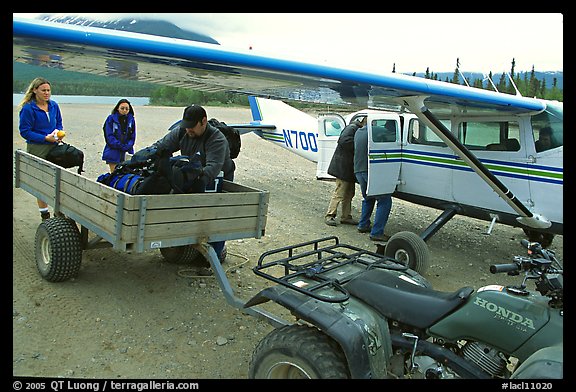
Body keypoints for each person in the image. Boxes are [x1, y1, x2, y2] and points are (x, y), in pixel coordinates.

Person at [153, 104, 235, 261]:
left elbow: (213, 167)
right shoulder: (183, 131)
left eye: (192, 127)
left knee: (215, 217)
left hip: (219, 179)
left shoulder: (217, 139)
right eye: (186, 126)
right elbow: (161, 146)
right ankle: (187, 244)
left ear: (203, 121)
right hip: (194, 173)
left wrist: (198, 182)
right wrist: (147, 157)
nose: (188, 130)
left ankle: (213, 259)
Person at [18, 77, 65, 221]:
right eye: (43, 90)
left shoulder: (54, 106)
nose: (46, 93)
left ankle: (58, 211)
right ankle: (45, 214)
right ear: (35, 90)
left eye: (48, 90)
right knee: (41, 181)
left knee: (57, 179)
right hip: (37, 148)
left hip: (53, 146)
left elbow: (59, 123)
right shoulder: (28, 108)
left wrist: (58, 133)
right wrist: (45, 138)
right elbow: (25, 131)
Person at [353, 121, 392, 242]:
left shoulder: (358, 132)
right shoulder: (376, 131)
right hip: (368, 171)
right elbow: (391, 137)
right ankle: (376, 232)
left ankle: (363, 224)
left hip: (358, 170)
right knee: (384, 199)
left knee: (368, 197)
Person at [324, 117, 367, 226]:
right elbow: (343, 140)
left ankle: (346, 216)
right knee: (340, 192)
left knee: (349, 193)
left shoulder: (354, 128)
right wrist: (359, 144)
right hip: (343, 167)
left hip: (348, 168)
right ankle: (330, 215)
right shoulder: (352, 128)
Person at [102, 99, 137, 172]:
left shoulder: (131, 120)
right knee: (114, 174)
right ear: (117, 108)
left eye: (127, 109)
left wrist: (127, 146)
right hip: (113, 151)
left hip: (127, 151)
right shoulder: (111, 119)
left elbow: (133, 136)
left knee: (126, 174)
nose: (124, 110)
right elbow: (109, 136)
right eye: (122, 108)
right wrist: (120, 145)